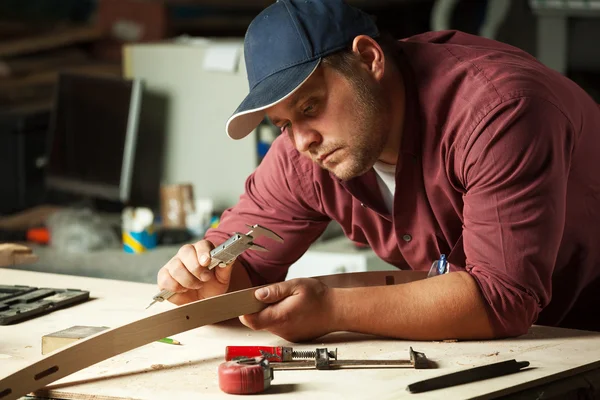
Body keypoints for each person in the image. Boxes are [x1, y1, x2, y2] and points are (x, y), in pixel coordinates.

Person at [156, 0, 600, 342]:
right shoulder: (306, 149)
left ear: (369, 59)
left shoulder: (499, 112)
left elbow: (501, 299)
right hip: (506, 344)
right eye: (283, 124)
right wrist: (207, 282)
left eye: (311, 106)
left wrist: (333, 310)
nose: (301, 140)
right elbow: (243, 276)